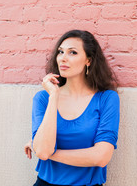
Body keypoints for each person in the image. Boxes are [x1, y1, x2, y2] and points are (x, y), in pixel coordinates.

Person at [24, 30, 120, 186]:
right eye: (61, 52)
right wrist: (54, 96)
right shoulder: (43, 98)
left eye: (72, 52)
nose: (63, 58)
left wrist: (46, 152)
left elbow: (101, 157)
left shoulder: (107, 99)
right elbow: (42, 150)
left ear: (88, 60)